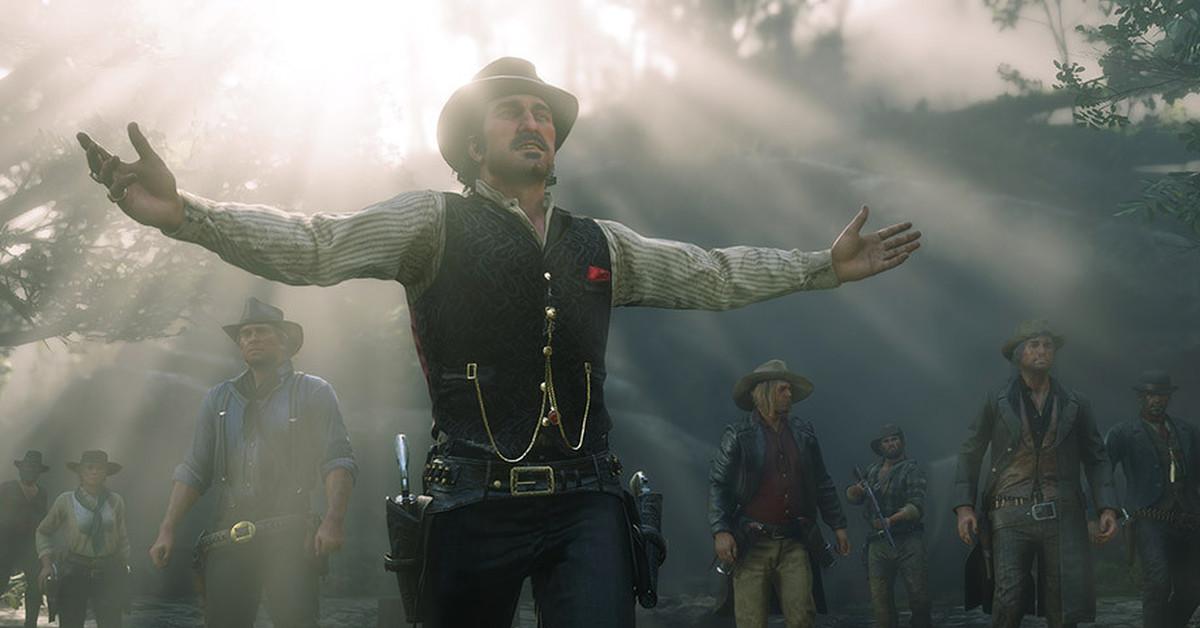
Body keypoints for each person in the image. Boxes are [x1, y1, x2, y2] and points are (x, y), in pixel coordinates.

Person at [78, 57, 920, 628]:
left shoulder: (600, 242)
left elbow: (713, 273)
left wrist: (821, 267)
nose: (533, 122)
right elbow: (316, 243)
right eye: (512, 112)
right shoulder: (430, 223)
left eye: (543, 115)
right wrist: (187, 214)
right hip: (471, 499)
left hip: (587, 499)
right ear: (474, 144)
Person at [146, 297, 356, 628]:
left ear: (283, 341)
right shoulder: (219, 398)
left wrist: (333, 519)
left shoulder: (313, 391)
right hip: (229, 536)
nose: (252, 338)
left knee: (296, 623)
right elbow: (195, 468)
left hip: (289, 534)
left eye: (261, 331)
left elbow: (337, 458)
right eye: (245, 334)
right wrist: (167, 528)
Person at [953, 319, 1119, 627]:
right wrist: (964, 507)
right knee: (1008, 600)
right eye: (1034, 345)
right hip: (1009, 511)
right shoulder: (996, 399)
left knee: (1063, 605)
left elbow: (1097, 458)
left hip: (1062, 514)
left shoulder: (1076, 402)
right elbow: (971, 451)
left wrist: (1106, 507)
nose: (1042, 350)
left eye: (1047, 345)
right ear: (1019, 354)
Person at [709, 359, 850, 628]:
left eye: (789, 389)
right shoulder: (738, 435)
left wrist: (838, 525)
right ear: (764, 392)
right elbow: (719, 484)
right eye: (783, 389)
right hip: (751, 543)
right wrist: (721, 531)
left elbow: (822, 482)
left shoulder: (803, 433)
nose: (789, 395)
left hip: (794, 541)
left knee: (802, 617)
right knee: (751, 621)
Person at [1105, 369, 1200, 628]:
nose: (1157, 400)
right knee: (1158, 582)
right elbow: (1101, 471)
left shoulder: (1188, 431)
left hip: (1190, 519)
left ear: (1169, 397)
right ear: (1141, 397)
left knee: (1193, 588)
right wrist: (1106, 509)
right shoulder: (1123, 432)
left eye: (1162, 395)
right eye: (1151, 395)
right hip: (1148, 518)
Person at [846, 424, 930, 628]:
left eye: (894, 439)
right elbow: (853, 497)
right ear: (880, 446)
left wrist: (892, 520)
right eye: (886, 441)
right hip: (878, 543)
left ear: (901, 441)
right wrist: (856, 491)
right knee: (880, 602)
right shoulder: (871, 471)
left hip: (908, 540)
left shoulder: (912, 469)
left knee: (919, 597)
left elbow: (916, 506)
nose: (891, 443)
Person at [36, 450, 130, 628]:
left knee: (111, 623)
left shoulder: (115, 501)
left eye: (100, 468)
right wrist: (46, 565)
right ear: (80, 471)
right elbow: (43, 531)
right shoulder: (66, 500)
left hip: (108, 570)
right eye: (89, 467)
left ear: (106, 473)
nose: (94, 472)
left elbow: (122, 537)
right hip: (75, 570)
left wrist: (124, 566)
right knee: (71, 622)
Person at [0, 450, 50, 628]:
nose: (30, 471)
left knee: (35, 586)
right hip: (5, 543)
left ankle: (31, 624)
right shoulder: (6, 488)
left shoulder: (42, 493)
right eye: (27, 467)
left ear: (39, 472)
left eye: (34, 468)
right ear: (20, 469)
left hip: (31, 545)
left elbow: (44, 521)